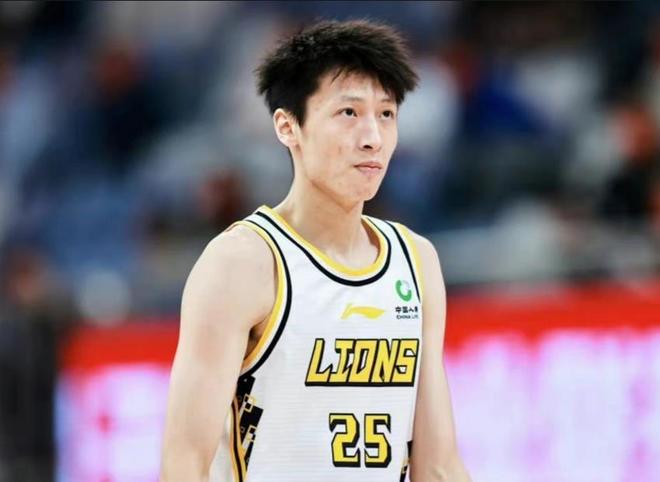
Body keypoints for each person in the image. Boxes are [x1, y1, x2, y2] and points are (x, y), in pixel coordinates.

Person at [161, 19, 472, 482]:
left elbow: (439, 465)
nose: (372, 137)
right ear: (288, 126)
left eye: (386, 114)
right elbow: (185, 460)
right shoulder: (243, 262)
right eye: (349, 113)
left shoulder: (416, 260)